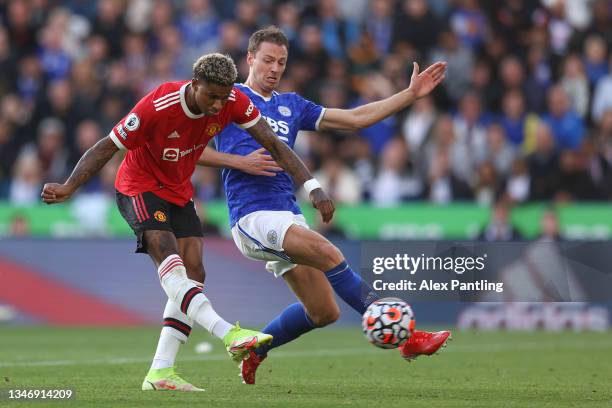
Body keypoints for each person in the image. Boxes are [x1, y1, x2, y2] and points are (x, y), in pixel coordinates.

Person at [41, 52, 335, 391]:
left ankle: (161, 372)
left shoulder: (232, 101)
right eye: (211, 95)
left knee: (195, 272)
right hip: (139, 186)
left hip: (179, 191)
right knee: (172, 262)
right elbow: (107, 147)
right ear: (194, 84)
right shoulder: (158, 105)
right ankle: (229, 333)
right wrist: (69, 186)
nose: (217, 105)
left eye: (223, 97)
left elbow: (274, 144)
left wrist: (312, 187)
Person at [196, 26, 452, 385]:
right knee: (329, 252)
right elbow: (190, 152)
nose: (274, 68)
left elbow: (354, 119)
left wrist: (409, 95)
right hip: (251, 216)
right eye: (267, 60)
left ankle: (254, 351)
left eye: (281, 62)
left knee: (323, 311)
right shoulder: (230, 98)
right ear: (250, 59)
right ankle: (408, 338)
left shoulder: (292, 105)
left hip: (287, 215)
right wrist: (239, 162)